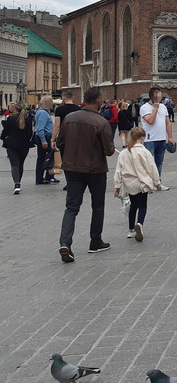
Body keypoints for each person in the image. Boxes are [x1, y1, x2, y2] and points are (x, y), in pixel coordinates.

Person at [57, 87, 116, 262]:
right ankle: (95, 242)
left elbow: (60, 142)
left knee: (71, 207)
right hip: (95, 169)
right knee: (97, 206)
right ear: (99, 101)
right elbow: (109, 150)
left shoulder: (70, 118)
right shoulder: (101, 122)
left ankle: (65, 243)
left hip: (72, 168)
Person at [113, 127, 162, 242]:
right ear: (143, 137)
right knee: (143, 205)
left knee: (133, 206)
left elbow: (118, 170)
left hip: (129, 184)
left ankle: (131, 229)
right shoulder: (145, 152)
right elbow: (152, 168)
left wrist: (117, 186)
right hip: (142, 183)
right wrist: (157, 182)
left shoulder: (124, 153)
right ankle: (139, 223)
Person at [139, 87, 174, 185]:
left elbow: (168, 123)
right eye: (156, 94)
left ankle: (157, 182)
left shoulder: (163, 107)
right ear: (151, 96)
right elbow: (150, 121)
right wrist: (155, 108)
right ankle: (148, 182)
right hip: (150, 139)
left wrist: (170, 137)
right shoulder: (144, 108)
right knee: (148, 163)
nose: (159, 97)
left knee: (159, 162)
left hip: (161, 138)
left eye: (160, 94)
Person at [1, 101, 33, 194]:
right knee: (21, 164)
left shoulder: (10, 119)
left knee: (14, 164)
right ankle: (19, 182)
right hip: (24, 145)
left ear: (15, 109)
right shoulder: (28, 120)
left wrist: (4, 138)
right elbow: (29, 134)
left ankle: (17, 183)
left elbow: (5, 132)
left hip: (12, 145)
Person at [34, 96, 57, 185]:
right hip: (44, 137)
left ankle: (46, 176)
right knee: (49, 156)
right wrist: (43, 140)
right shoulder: (43, 113)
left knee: (43, 157)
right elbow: (40, 128)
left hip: (43, 137)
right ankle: (45, 176)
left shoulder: (41, 112)